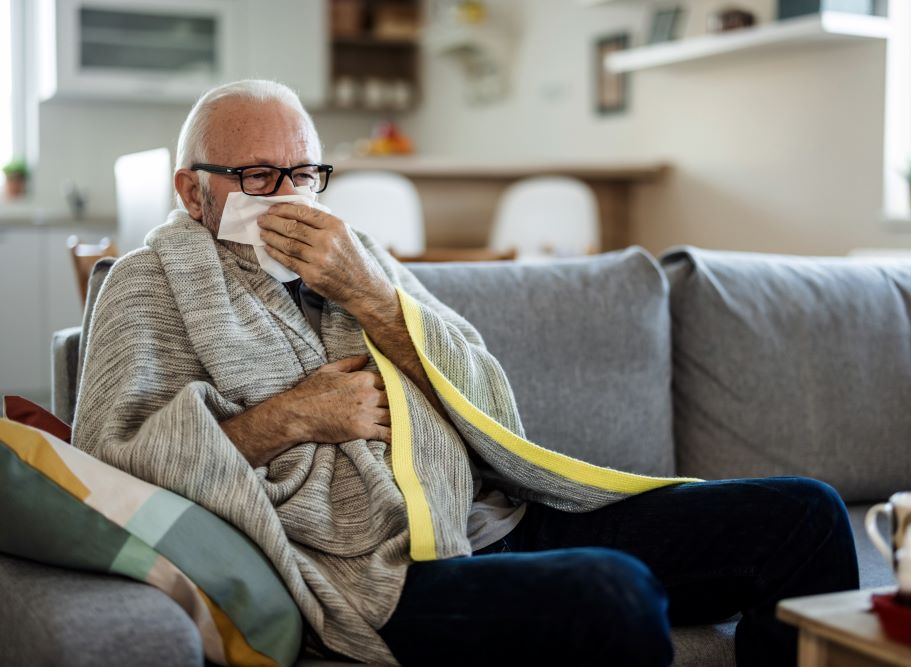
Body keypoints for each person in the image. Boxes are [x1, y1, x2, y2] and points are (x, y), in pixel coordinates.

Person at [73, 80, 859, 667]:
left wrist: (373, 296)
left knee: (810, 515)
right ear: (193, 190)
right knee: (610, 594)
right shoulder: (148, 284)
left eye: (306, 174)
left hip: (501, 515)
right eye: (260, 178)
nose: (290, 199)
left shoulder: (359, 255)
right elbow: (114, 464)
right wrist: (296, 416)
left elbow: (485, 392)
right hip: (387, 571)